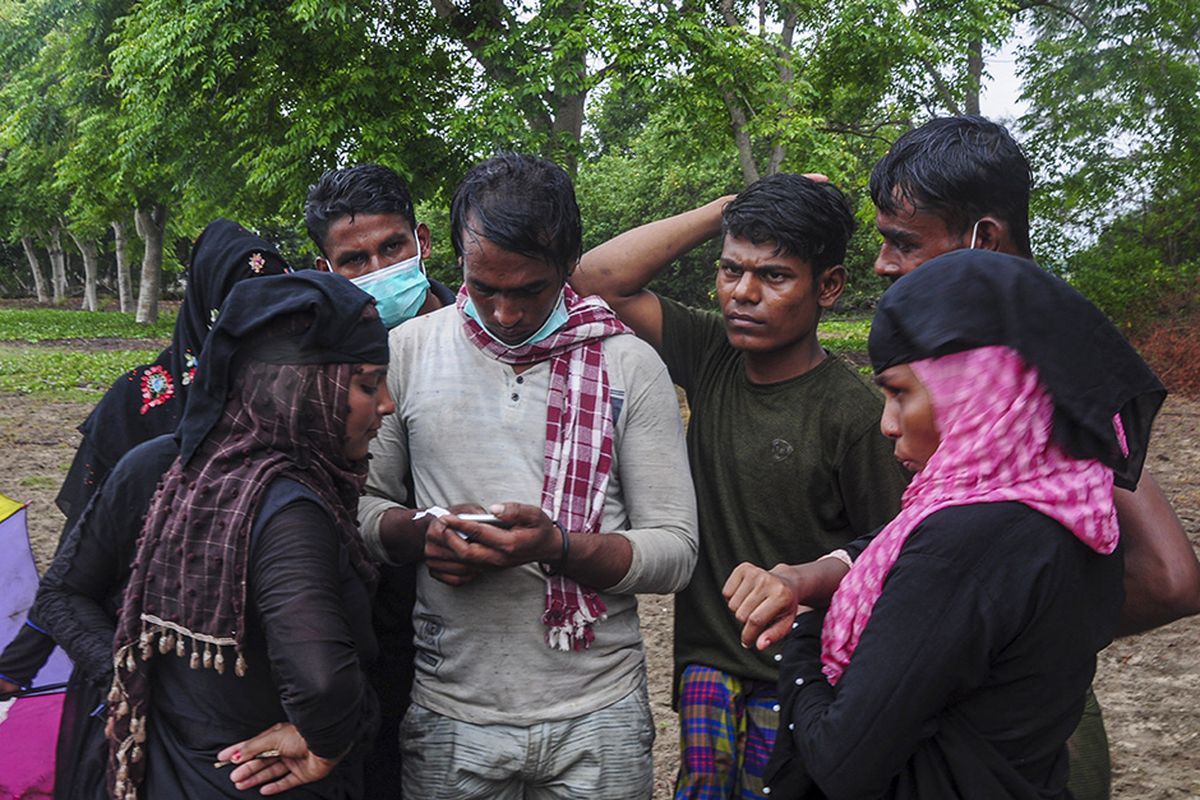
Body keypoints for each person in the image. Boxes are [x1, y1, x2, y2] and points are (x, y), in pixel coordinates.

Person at [738, 249, 1165, 799]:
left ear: (982, 391)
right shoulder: (1078, 510)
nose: (887, 424)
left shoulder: (962, 546)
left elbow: (842, 760)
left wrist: (806, 634)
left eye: (899, 393)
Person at [356, 152, 698, 799]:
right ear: (455, 256)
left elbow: (675, 552)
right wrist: (420, 535)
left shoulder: (629, 365)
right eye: (485, 288)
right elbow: (360, 505)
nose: (507, 314)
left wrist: (559, 548)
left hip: (600, 718)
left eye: (530, 290)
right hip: (454, 715)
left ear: (569, 266)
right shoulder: (407, 352)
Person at [572, 173, 910, 799]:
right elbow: (594, 282)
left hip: (801, 668)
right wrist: (728, 208)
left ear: (828, 286)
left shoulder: (854, 416)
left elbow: (888, 552)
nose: (743, 293)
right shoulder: (711, 354)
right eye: (731, 270)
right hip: (707, 658)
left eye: (774, 276)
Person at [106, 269, 392, 799]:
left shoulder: (198, 477)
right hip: (259, 780)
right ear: (303, 389)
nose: (387, 405)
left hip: (176, 772)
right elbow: (321, 679)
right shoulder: (290, 507)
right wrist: (327, 743)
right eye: (369, 384)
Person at [0, 220, 289, 699]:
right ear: (207, 306)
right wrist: (20, 663)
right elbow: (77, 561)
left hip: (260, 669)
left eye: (273, 308)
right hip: (137, 656)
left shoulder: (297, 408)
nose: (256, 330)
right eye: (239, 307)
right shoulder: (138, 404)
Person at [303, 162, 454, 796]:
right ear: (323, 268)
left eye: (391, 248)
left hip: (482, 625)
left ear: (422, 240)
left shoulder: (490, 330)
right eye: (353, 260)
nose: (377, 271)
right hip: (370, 628)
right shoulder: (313, 365)